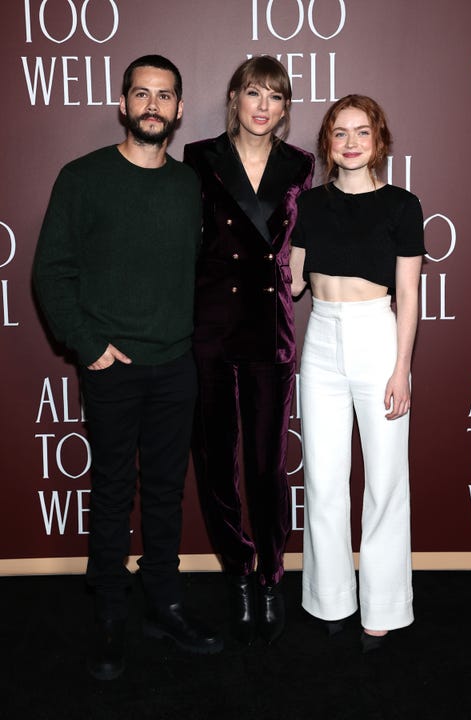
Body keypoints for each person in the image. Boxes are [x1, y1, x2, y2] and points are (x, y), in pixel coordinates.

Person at [33, 54, 223, 681]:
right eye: (141, 94)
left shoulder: (188, 184)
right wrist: (87, 345)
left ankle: (163, 601)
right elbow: (50, 273)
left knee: (167, 493)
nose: (152, 105)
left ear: (178, 109)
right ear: (122, 104)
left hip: (176, 366)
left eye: (164, 96)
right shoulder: (82, 177)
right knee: (113, 491)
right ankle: (111, 611)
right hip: (111, 365)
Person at [183, 56, 314, 644]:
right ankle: (237, 572)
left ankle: (269, 577)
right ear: (234, 97)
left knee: (266, 464)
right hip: (210, 326)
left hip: (269, 326)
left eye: (276, 97)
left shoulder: (301, 165)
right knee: (216, 461)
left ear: (286, 109)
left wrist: (302, 277)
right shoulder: (200, 158)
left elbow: (306, 242)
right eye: (254, 93)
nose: (264, 105)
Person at [290, 94, 425, 652]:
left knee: (386, 480)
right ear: (327, 143)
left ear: (379, 141)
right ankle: (330, 599)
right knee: (323, 479)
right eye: (340, 133)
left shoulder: (402, 205)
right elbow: (291, 283)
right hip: (320, 340)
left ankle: (384, 606)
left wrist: (402, 368)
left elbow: (410, 294)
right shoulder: (310, 205)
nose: (350, 143)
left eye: (361, 132)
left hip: (377, 338)